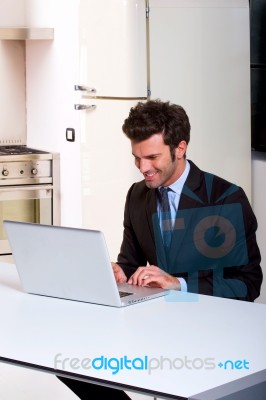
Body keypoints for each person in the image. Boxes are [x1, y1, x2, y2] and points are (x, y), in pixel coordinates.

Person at [59, 99, 262, 398]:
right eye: (136, 157)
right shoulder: (138, 195)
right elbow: (130, 262)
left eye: (152, 157)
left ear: (180, 148)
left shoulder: (224, 199)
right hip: (156, 323)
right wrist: (117, 272)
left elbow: (247, 284)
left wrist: (177, 284)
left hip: (211, 330)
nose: (143, 168)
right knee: (73, 357)